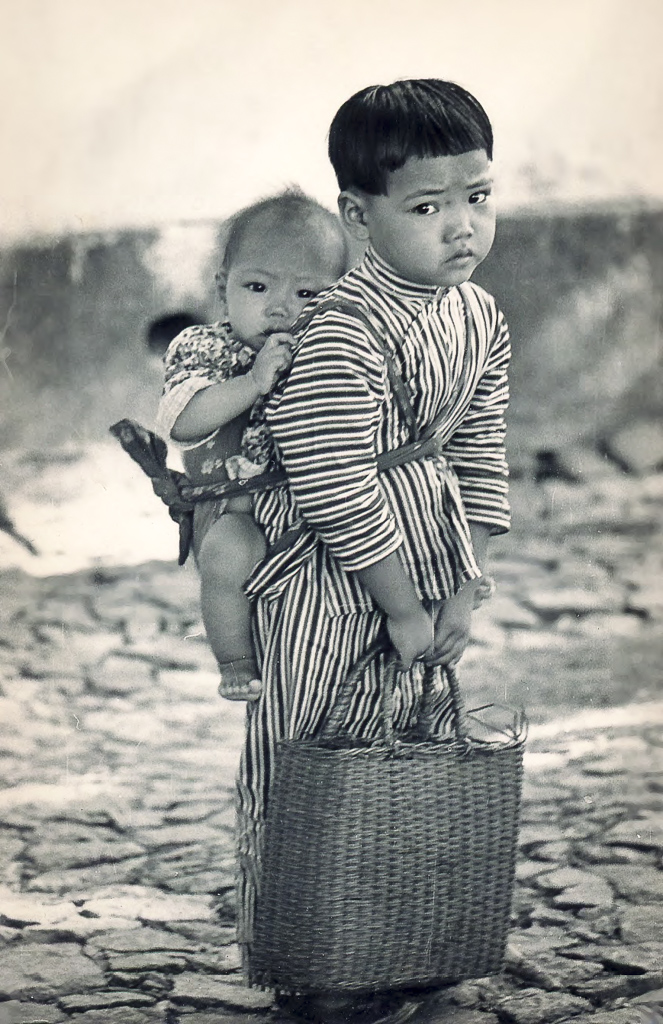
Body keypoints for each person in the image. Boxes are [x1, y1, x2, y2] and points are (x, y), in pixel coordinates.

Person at [237, 79, 512, 1022]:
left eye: (477, 197)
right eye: (427, 207)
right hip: (329, 576)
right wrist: (397, 602)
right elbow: (332, 481)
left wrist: (461, 589)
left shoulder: (478, 316)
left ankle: (402, 935)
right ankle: (312, 962)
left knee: (411, 738)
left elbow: (479, 447)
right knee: (316, 751)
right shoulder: (341, 329)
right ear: (358, 216)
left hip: (430, 556)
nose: (461, 228)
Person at [155, 190, 348, 700]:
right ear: (224, 289)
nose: (280, 308)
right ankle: (236, 659)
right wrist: (253, 382)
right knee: (228, 553)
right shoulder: (205, 347)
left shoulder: (327, 351)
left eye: (308, 296)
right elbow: (184, 422)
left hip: (307, 505)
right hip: (235, 508)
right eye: (257, 287)